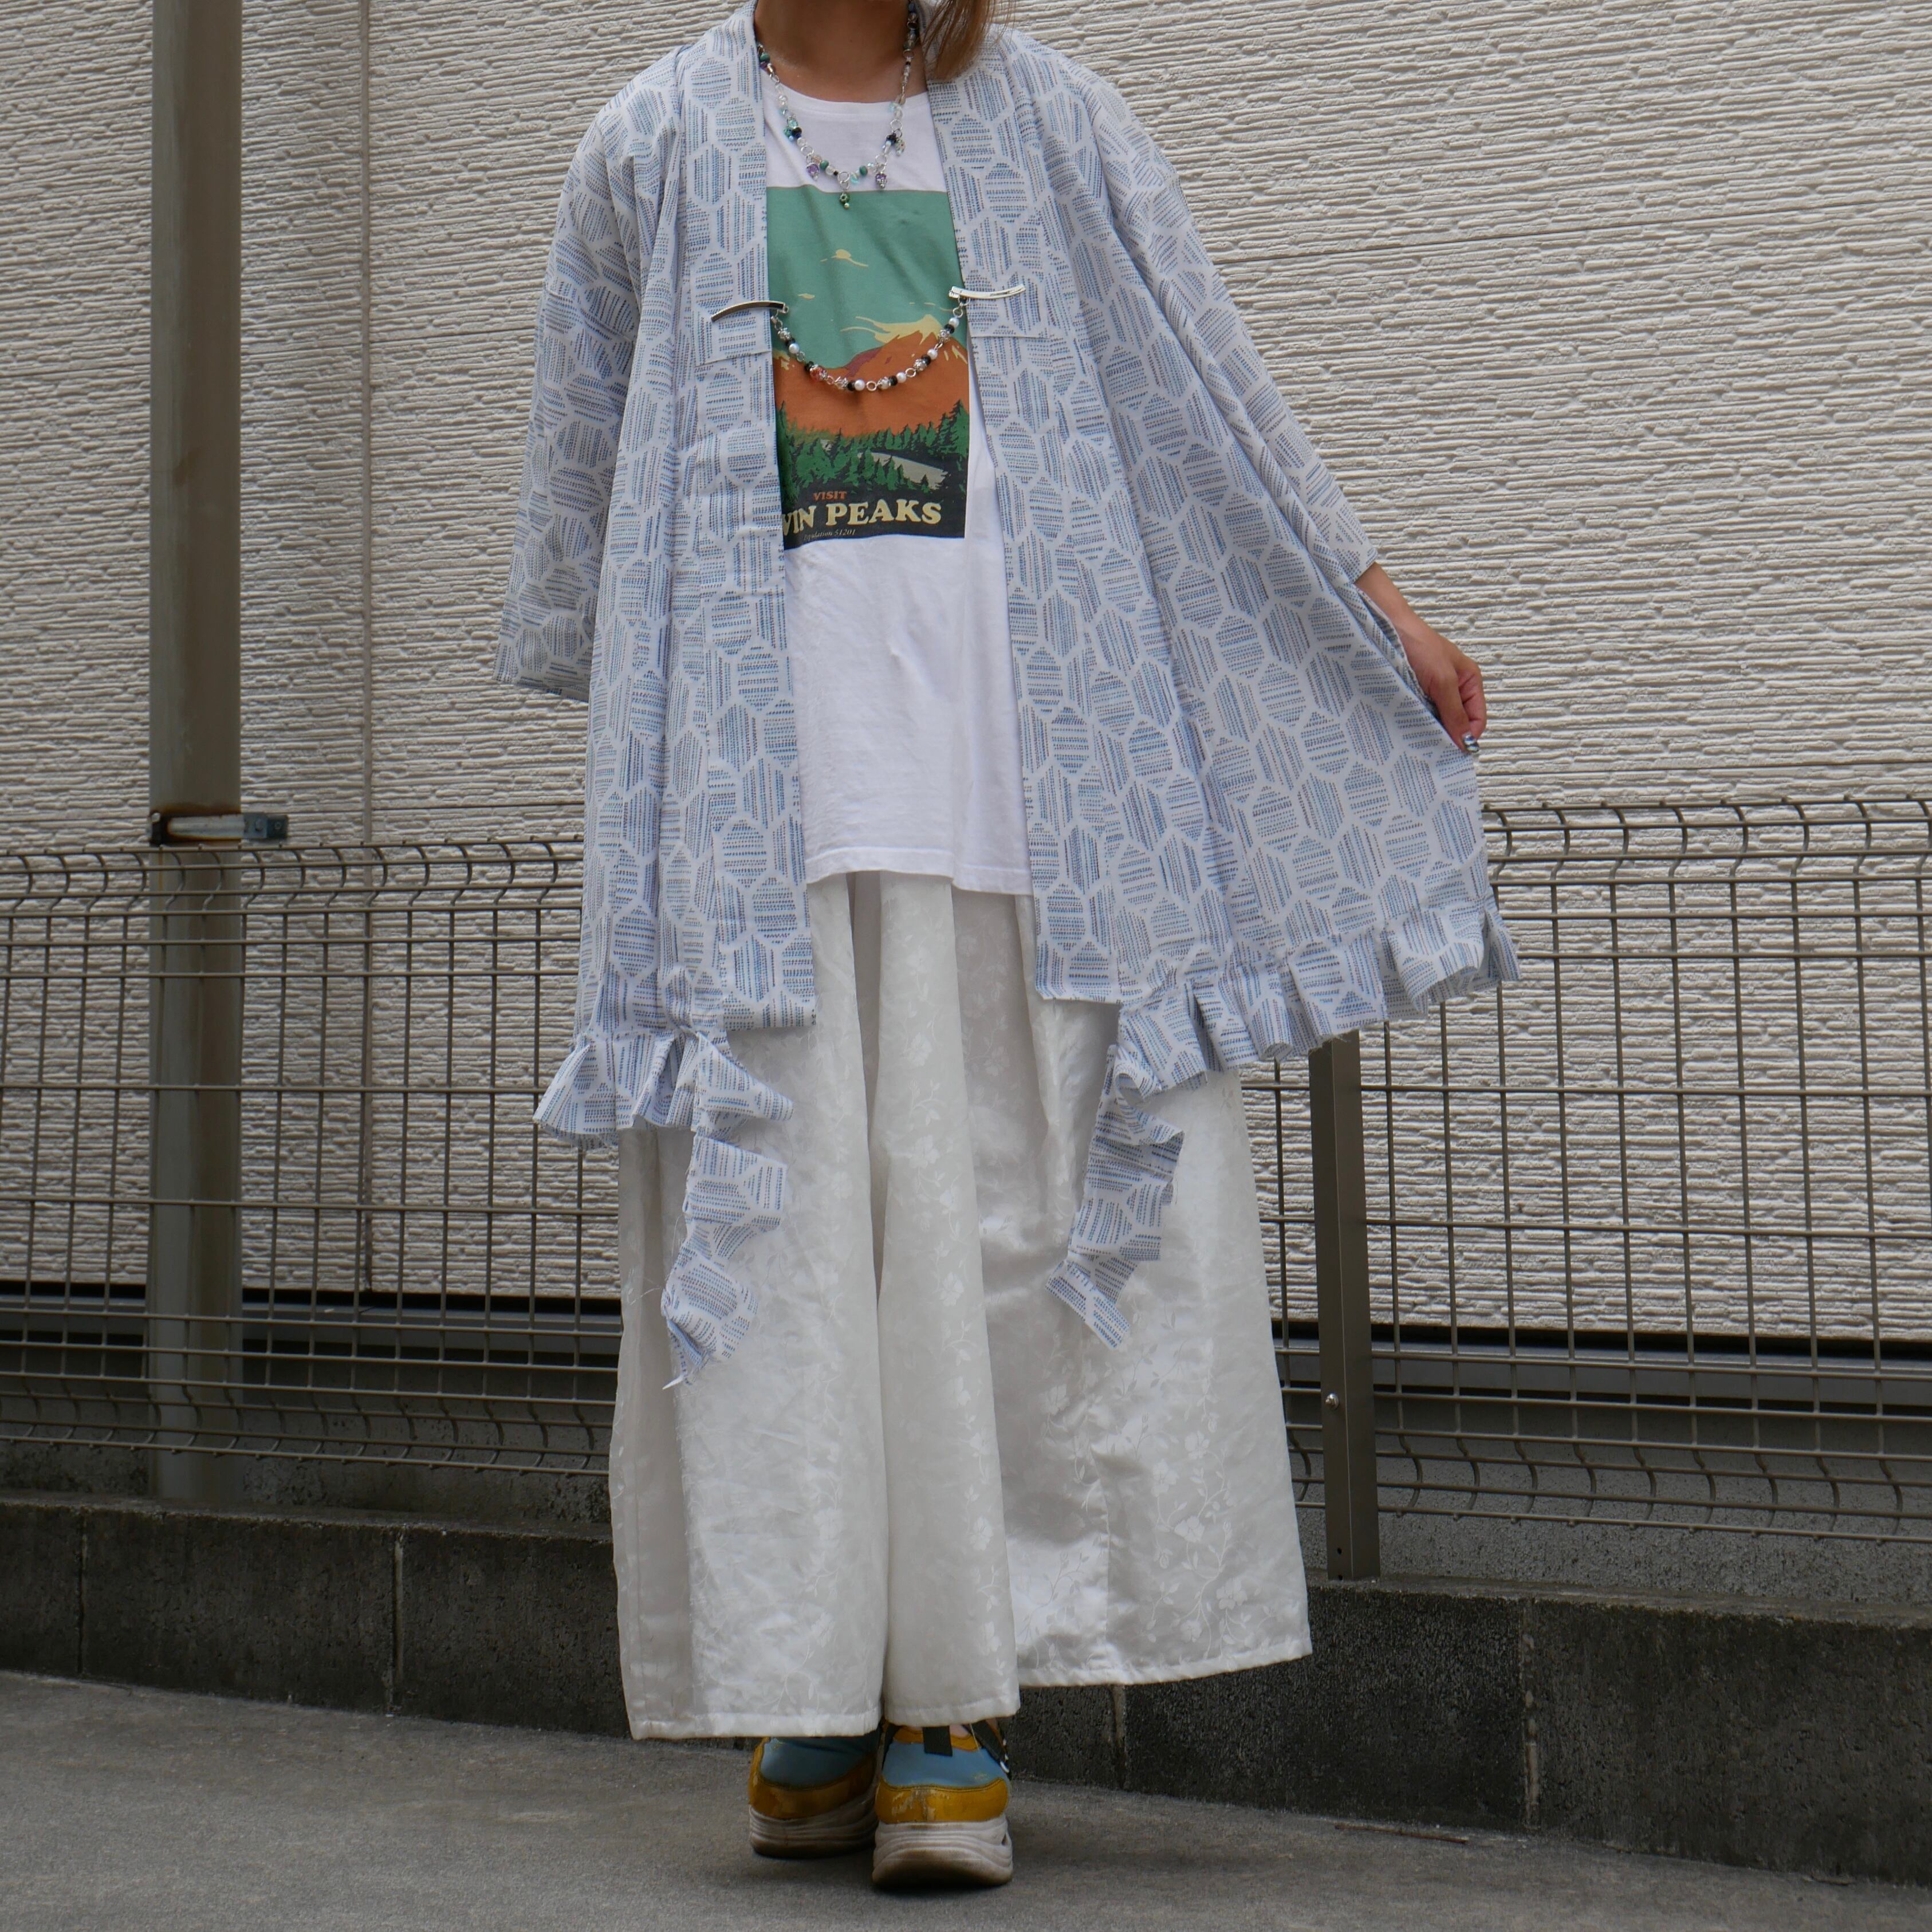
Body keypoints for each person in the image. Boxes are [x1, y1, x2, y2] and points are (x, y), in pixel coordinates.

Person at [497, 0, 1513, 1891]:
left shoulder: (1055, 123)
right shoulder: (646, 142)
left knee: (1008, 1233)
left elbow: (1202, 380)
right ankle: (818, 1687)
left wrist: (1363, 592)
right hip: (757, 811)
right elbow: (588, 458)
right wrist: (610, 685)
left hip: (1038, 805)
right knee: (798, 1250)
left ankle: (952, 1709)